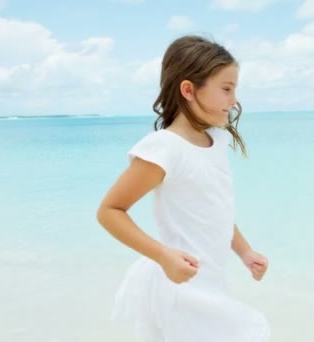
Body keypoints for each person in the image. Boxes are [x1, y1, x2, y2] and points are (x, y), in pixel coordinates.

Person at [96, 35, 271, 342]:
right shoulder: (164, 148)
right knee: (251, 330)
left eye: (235, 90)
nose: (234, 102)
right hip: (180, 289)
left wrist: (244, 251)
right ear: (189, 90)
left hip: (210, 283)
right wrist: (163, 256)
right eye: (226, 89)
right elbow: (110, 211)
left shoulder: (216, 141)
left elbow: (215, 209)